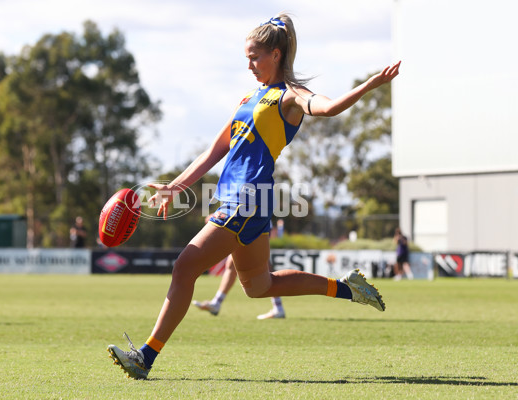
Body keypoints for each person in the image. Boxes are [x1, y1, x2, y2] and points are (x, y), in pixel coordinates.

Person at [108, 13, 399, 379]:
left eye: (254, 57)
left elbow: (328, 108)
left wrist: (367, 87)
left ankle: (145, 358)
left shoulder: (289, 96)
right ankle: (347, 289)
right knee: (261, 286)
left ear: (276, 54)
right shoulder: (249, 98)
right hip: (247, 201)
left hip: (245, 199)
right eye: (247, 57)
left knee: (184, 268)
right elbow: (215, 150)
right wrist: (174, 186)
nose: (249, 65)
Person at [192, 219, 286, 319]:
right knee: (232, 265)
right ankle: (217, 303)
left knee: (263, 264)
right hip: (248, 221)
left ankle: (278, 307)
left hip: (253, 221)